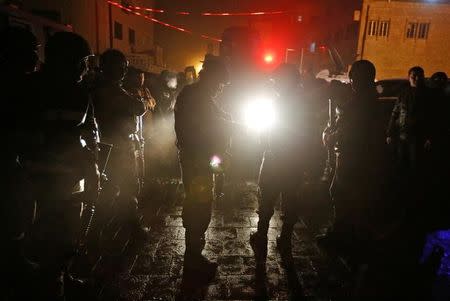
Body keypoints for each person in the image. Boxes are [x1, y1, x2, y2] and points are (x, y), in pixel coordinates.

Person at [21, 32, 99, 299]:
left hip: (67, 178)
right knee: (47, 240)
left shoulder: (79, 93)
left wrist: (92, 167)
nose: (85, 69)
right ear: (68, 61)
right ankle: (53, 287)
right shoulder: (29, 89)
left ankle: (62, 277)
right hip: (37, 181)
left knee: (69, 235)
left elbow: (89, 133)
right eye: (82, 62)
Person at [317, 60, 387, 258]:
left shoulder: (363, 102)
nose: (352, 80)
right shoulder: (362, 99)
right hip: (351, 155)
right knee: (343, 193)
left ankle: (347, 237)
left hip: (354, 156)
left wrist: (331, 137)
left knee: (343, 194)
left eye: (355, 76)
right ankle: (345, 234)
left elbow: (351, 129)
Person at [249, 64, 317, 262]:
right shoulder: (303, 102)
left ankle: (262, 236)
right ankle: (285, 239)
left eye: (277, 79)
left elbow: (268, 131)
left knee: (268, 197)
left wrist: (264, 142)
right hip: (293, 159)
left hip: (277, 157)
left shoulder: (280, 102)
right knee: (290, 199)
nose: (275, 83)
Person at [174, 54, 231, 277]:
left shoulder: (199, 95)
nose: (220, 88)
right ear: (211, 78)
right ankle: (193, 259)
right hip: (197, 161)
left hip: (199, 160)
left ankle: (194, 256)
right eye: (219, 83)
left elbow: (216, 119)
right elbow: (204, 128)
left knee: (199, 205)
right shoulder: (196, 96)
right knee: (199, 207)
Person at [1, 26, 40, 299]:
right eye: (32, 50)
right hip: (8, 161)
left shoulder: (23, 82)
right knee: (13, 212)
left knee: (20, 212)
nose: (36, 56)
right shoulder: (13, 84)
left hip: (16, 160)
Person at [93, 49, 149, 237]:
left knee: (110, 188)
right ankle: (128, 226)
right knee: (126, 186)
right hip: (117, 146)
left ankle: (107, 226)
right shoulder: (112, 89)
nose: (124, 72)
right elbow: (139, 107)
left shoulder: (96, 87)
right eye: (121, 68)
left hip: (104, 145)